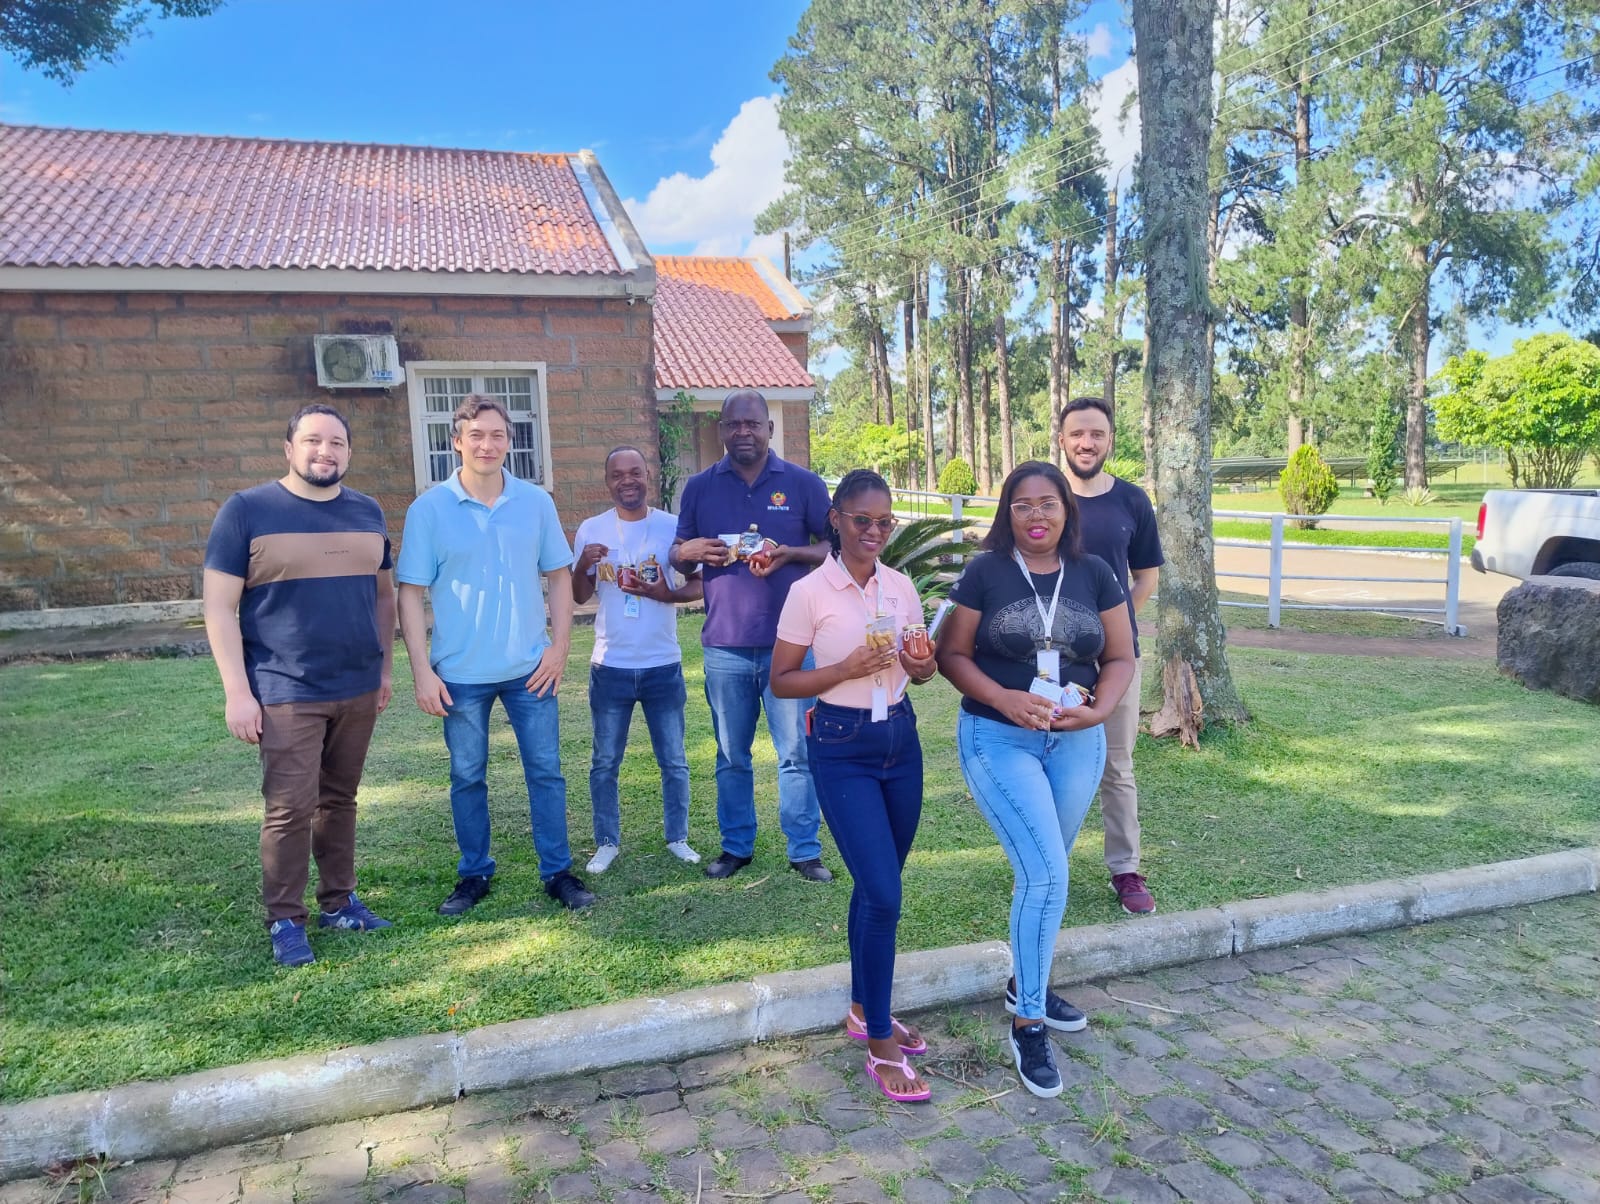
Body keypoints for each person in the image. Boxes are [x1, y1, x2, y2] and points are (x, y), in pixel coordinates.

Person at [936, 461, 1135, 1098]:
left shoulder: (1095, 572)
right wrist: (1002, 698)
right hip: (999, 737)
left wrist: (1099, 712)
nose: (1036, 515)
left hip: (1076, 740)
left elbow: (1121, 656)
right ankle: (1028, 1022)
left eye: (1048, 503)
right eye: (1022, 505)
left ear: (1066, 510)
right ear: (1008, 513)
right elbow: (950, 654)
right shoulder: (985, 572)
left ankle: (1029, 978)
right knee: (1047, 874)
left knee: (1045, 872)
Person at [202, 403, 396, 968]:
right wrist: (237, 692)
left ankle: (339, 903)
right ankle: (285, 919)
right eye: (312, 440)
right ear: (289, 449)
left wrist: (384, 670)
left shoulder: (367, 511)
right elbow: (218, 608)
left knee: (339, 799)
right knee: (290, 807)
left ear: (349, 452)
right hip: (285, 687)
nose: (324, 451)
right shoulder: (247, 510)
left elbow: (384, 596)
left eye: (336, 442)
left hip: (357, 684)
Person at [771, 470, 941, 1102]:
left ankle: (864, 1008)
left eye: (884, 522)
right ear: (836, 519)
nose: (874, 531)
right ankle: (879, 1041)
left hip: (900, 739)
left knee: (877, 889)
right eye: (861, 520)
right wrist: (843, 668)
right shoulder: (809, 592)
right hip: (842, 745)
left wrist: (922, 666)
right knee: (884, 893)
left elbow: (920, 669)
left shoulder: (900, 587)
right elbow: (782, 680)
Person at [395, 395, 595, 914]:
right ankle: (474, 873)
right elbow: (410, 593)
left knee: (546, 772)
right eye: (477, 435)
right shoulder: (428, 510)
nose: (488, 444)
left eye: (498, 435)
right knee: (467, 776)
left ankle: (557, 872)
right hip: (459, 674)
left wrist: (559, 649)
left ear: (509, 441)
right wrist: (421, 672)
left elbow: (558, 577)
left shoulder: (535, 503)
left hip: (530, 669)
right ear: (456, 441)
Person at [670, 390, 835, 883]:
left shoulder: (803, 484)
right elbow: (679, 554)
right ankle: (736, 846)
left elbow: (833, 547)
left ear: (769, 429)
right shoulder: (700, 487)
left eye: (752, 423)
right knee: (730, 756)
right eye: (733, 424)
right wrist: (687, 551)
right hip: (725, 645)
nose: (743, 431)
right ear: (721, 429)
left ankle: (804, 850)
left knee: (796, 754)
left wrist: (790, 554)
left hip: (792, 646)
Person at [572, 446, 705, 873]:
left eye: (635, 472)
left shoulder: (672, 526)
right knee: (604, 762)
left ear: (648, 476)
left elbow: (700, 583)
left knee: (674, 760)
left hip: (662, 663)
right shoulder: (592, 529)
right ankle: (606, 841)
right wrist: (583, 564)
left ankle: (677, 837)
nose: (627, 481)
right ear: (607, 481)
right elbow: (579, 596)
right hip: (610, 665)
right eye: (618, 475)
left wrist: (669, 594)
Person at [1058, 397, 1164, 915]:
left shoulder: (1131, 501)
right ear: (1062, 439)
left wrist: (1112, 629)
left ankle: (1125, 868)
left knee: (1117, 767)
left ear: (1110, 440)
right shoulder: (1045, 497)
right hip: (1052, 660)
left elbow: (1146, 577)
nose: (1087, 443)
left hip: (1119, 660)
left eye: (1096, 434)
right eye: (1077, 433)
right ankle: (1046, 864)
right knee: (1053, 761)